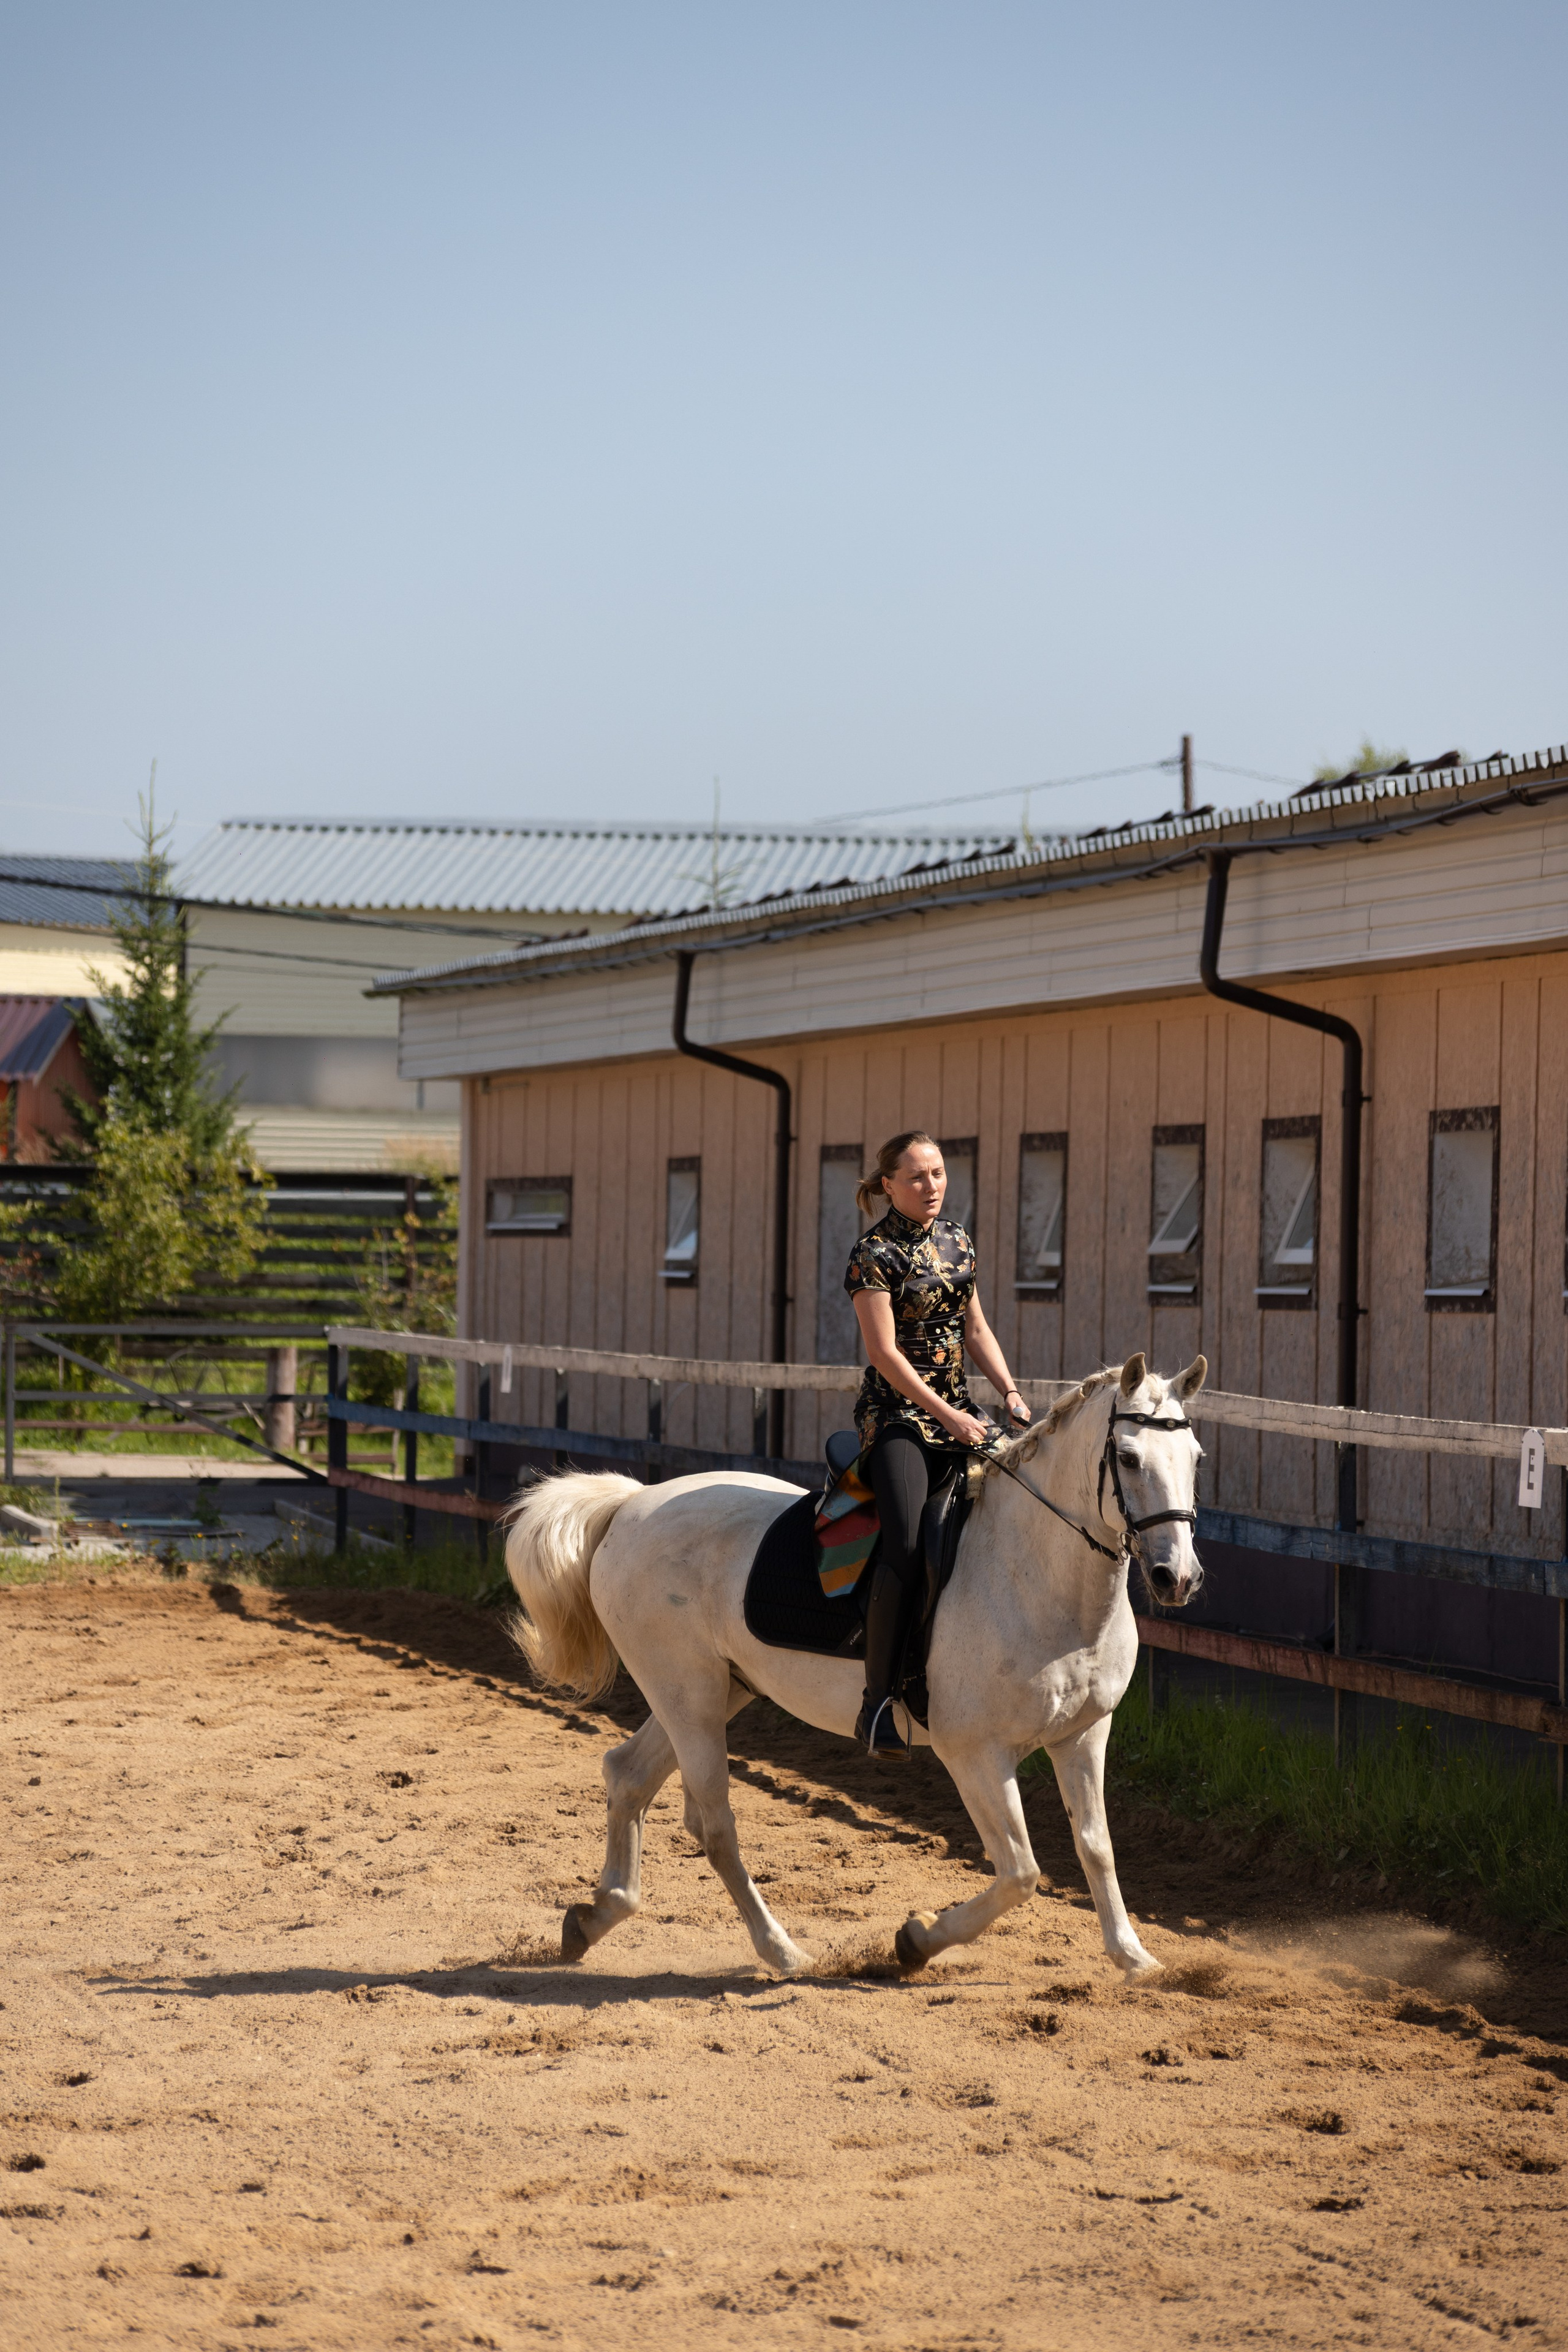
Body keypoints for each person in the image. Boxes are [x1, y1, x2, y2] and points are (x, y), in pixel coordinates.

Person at [845, 1130, 1031, 1758]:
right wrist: (946, 1414)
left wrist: (1008, 1391)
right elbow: (884, 1353)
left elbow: (974, 1326)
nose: (931, 1186)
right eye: (917, 1177)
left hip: (963, 1414)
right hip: (898, 1418)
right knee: (902, 1540)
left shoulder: (957, 1239)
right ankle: (876, 1703)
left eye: (938, 1174)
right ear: (889, 1186)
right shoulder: (873, 1254)